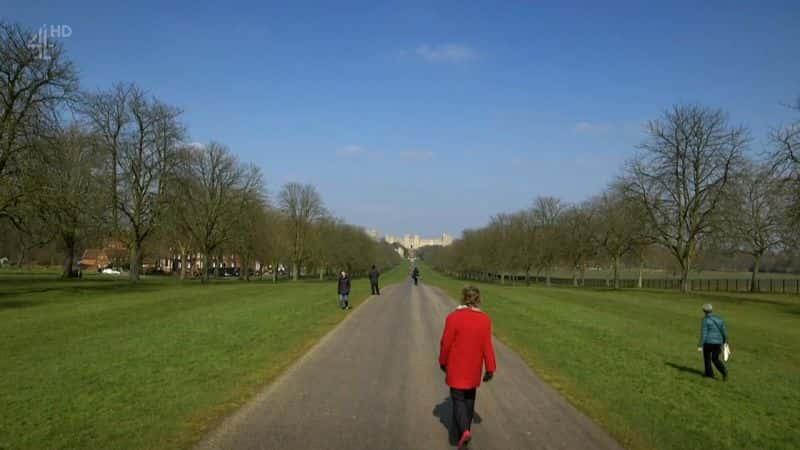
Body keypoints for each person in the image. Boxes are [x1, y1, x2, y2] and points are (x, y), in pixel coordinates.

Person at [439, 286, 496, 449]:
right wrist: (490, 368)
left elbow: (446, 344)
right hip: (473, 367)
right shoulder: (485, 319)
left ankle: (462, 432)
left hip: (456, 366)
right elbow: (487, 346)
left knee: (457, 399)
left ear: (463, 298)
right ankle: (465, 432)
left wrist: (443, 362)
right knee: (469, 399)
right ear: (478, 299)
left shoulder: (453, 318)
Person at [698, 303, 728, 380]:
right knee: (715, 358)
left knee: (707, 358)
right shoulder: (719, 319)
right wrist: (725, 340)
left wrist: (700, 345)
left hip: (708, 342)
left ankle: (709, 374)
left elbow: (704, 333)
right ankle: (723, 371)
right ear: (712, 310)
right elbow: (724, 331)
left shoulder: (705, 320)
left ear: (704, 311)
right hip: (718, 343)